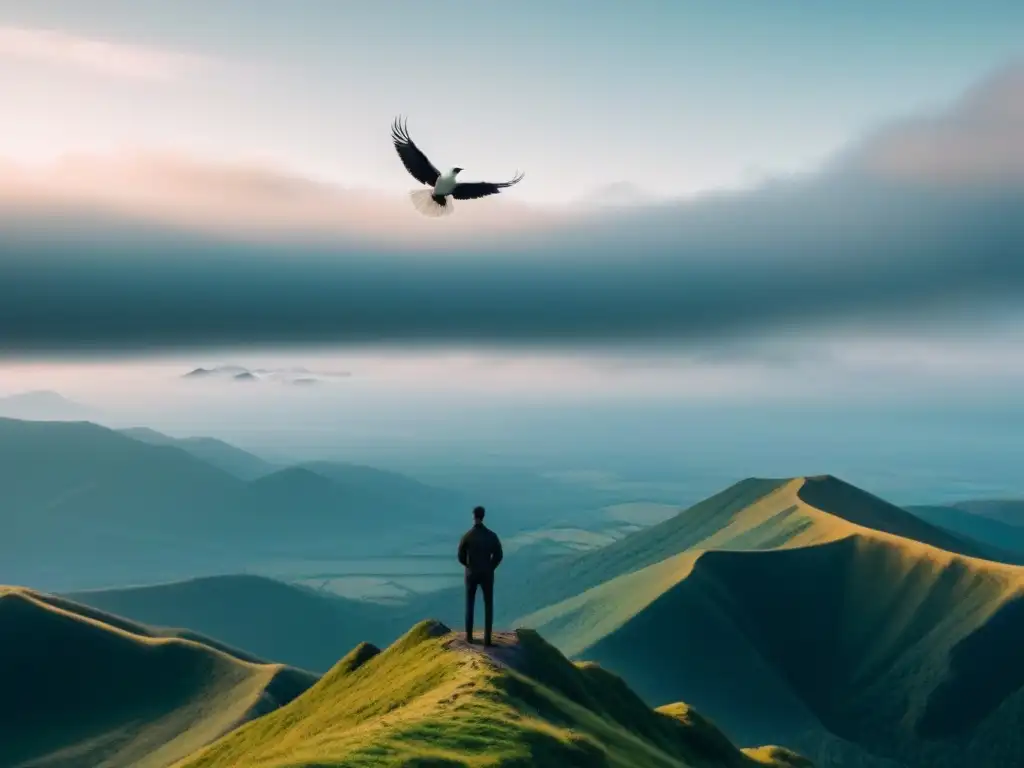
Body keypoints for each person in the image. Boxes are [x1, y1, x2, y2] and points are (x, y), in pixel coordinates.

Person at [457, 505, 503, 646]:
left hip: (471, 574)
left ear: (473, 516)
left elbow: (460, 556)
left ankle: (469, 637)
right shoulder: (491, 536)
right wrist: (490, 567)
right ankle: (487, 639)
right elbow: (499, 555)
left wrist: (469, 566)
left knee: (470, 604)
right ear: (483, 516)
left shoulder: (467, 536)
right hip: (487, 574)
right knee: (488, 605)